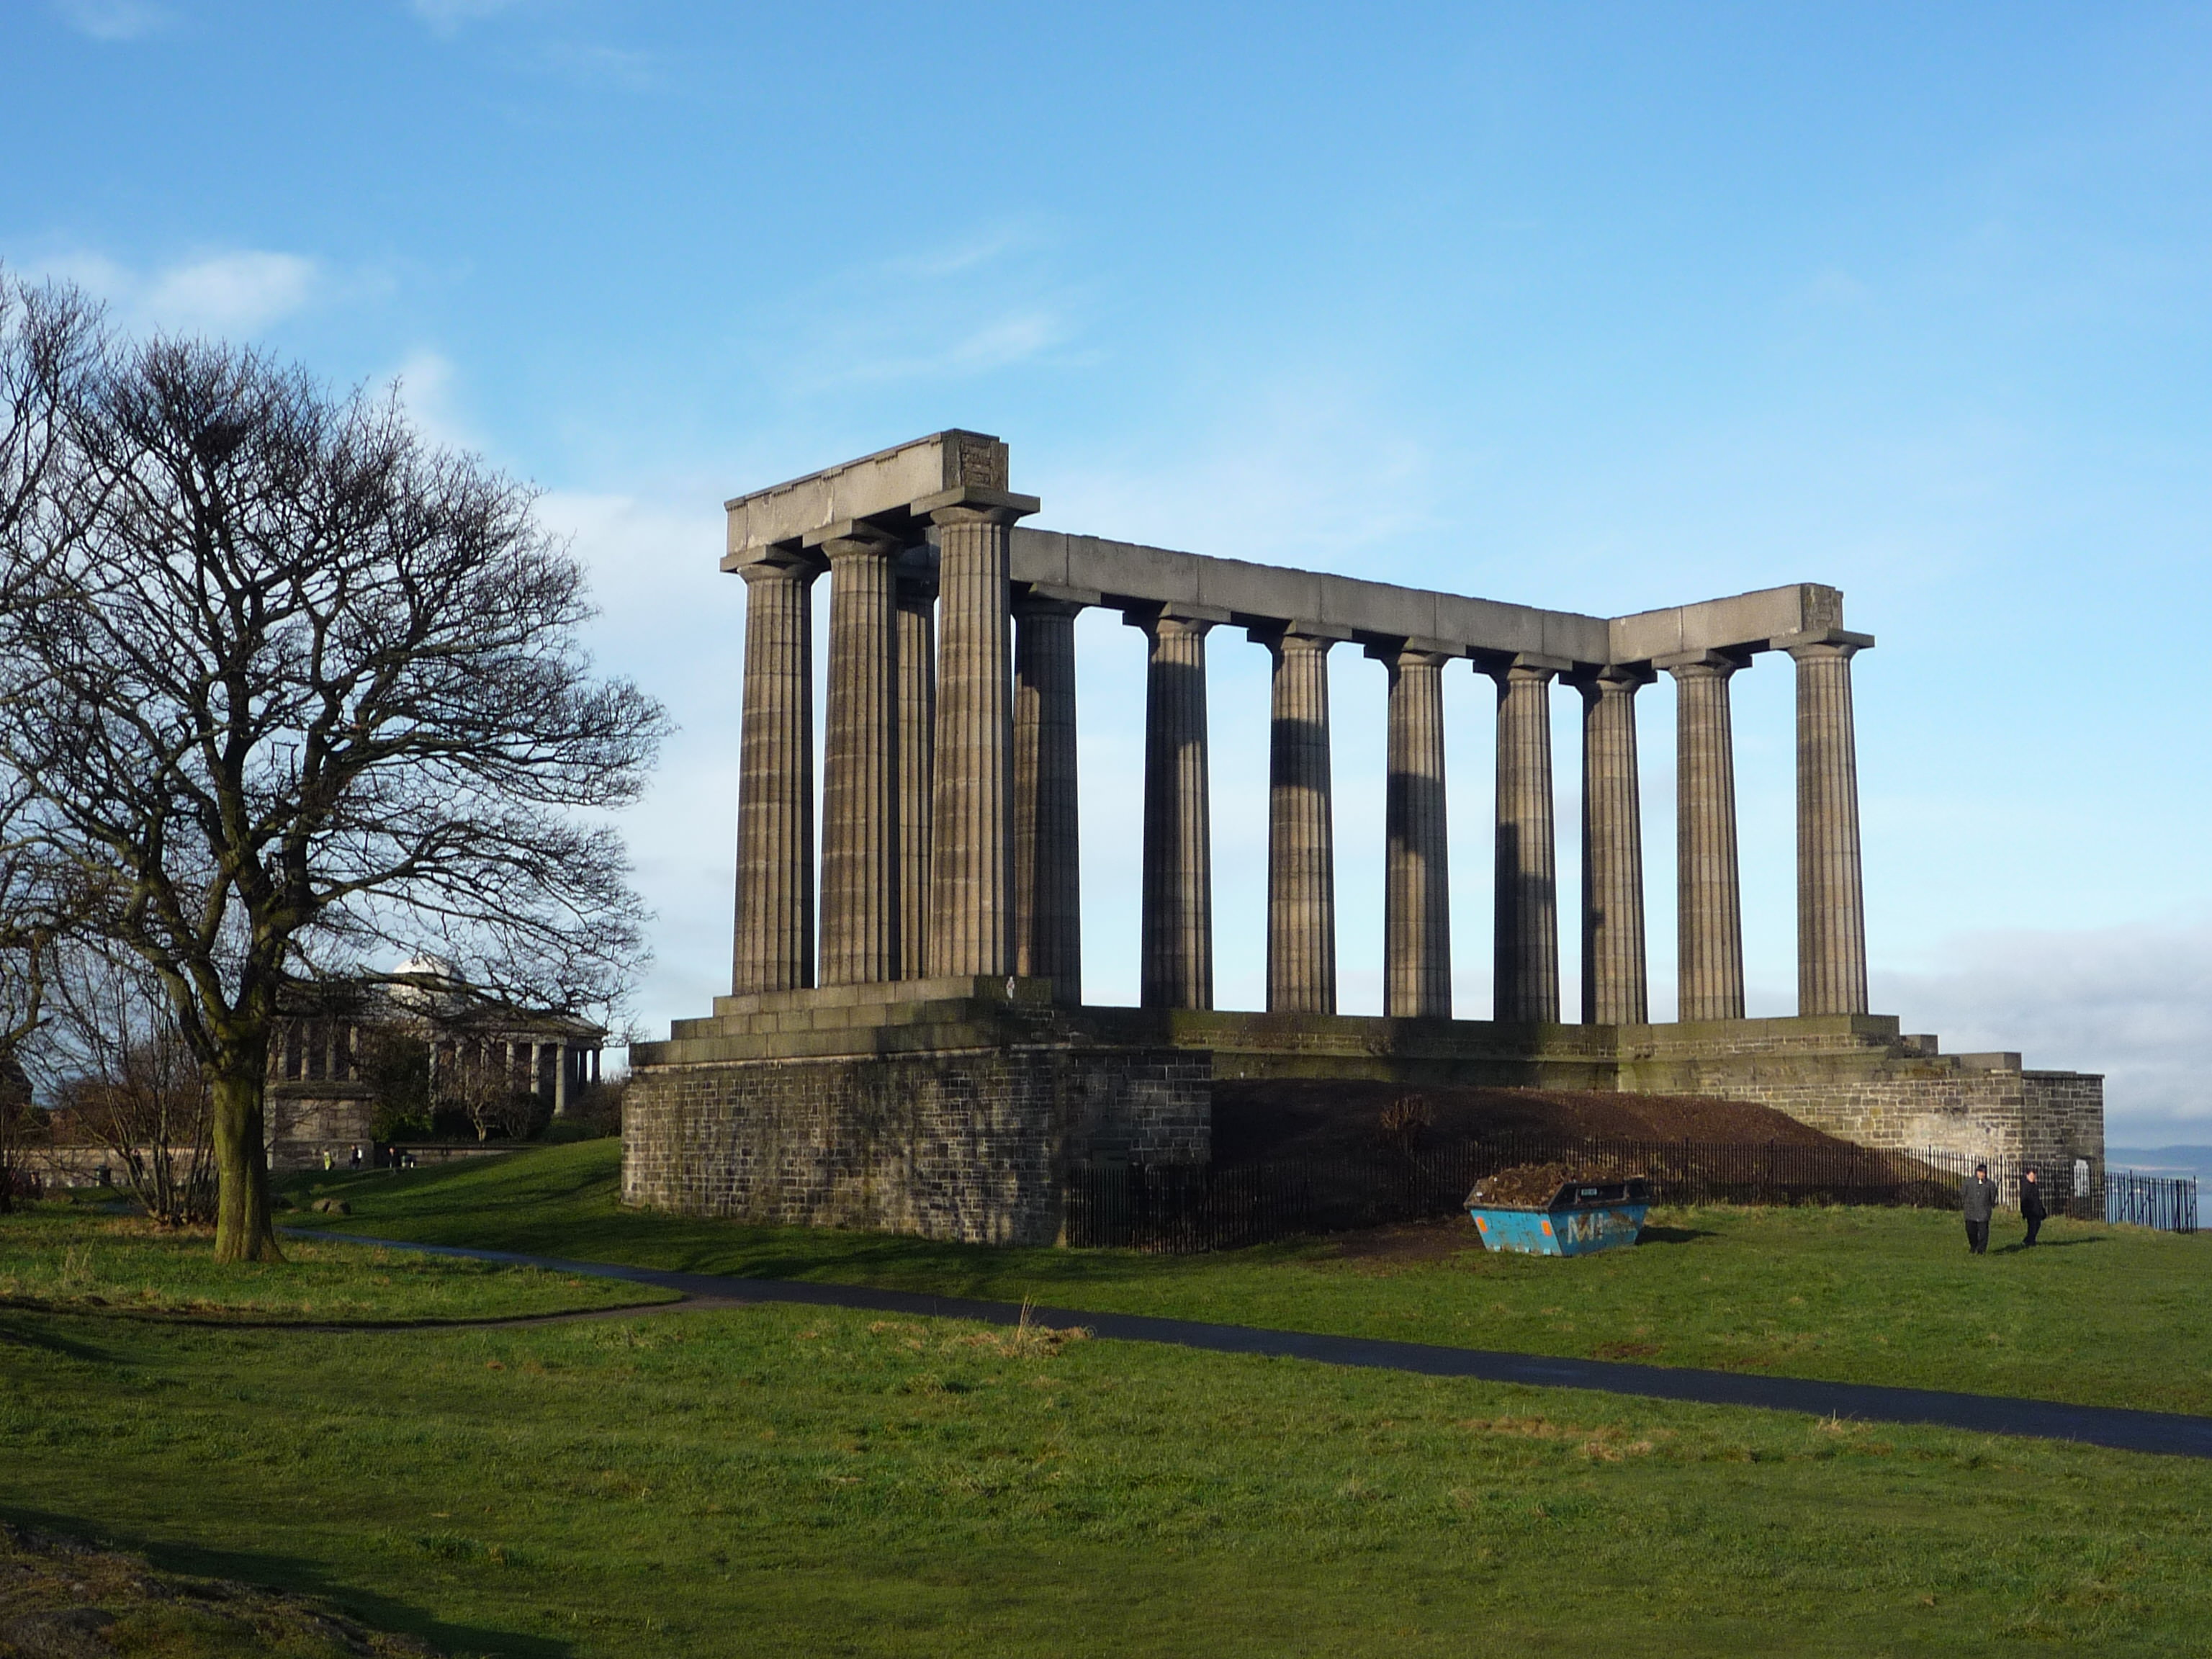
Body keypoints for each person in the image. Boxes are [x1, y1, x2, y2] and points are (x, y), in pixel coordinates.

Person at [1963, 1162, 1998, 1254]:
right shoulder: (1969, 1182)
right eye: (1980, 1172)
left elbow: (1993, 1197)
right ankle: (1973, 1246)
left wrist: (1989, 1206)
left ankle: (1981, 1250)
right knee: (1971, 1231)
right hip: (1971, 1212)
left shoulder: (1990, 1184)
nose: (1982, 1174)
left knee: (1983, 1233)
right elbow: (1963, 1194)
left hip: (1984, 1212)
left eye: (1984, 1172)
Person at [2020, 1167, 2048, 1247]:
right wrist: (2025, 1211)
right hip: (2030, 1210)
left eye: (2034, 1176)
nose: (2033, 1178)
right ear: (2027, 1175)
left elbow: (2037, 1198)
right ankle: (2029, 1241)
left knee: (2037, 1225)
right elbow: (2024, 1199)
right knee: (2032, 1226)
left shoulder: (2034, 1185)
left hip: (2036, 1209)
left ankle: (2030, 1240)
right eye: (2031, 1176)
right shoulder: (2026, 1186)